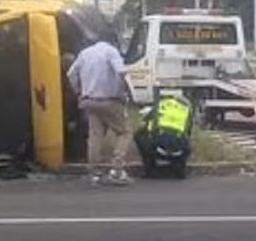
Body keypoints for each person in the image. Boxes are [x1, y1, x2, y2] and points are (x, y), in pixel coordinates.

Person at [67, 32, 132, 186]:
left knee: (95, 136)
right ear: (113, 42)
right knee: (125, 132)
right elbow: (121, 72)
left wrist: (78, 92)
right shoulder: (111, 51)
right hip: (109, 100)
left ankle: (94, 173)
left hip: (89, 101)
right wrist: (123, 92)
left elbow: (71, 74)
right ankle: (117, 169)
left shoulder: (85, 53)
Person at [134, 94, 194, 179]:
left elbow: (144, 124)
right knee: (184, 141)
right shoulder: (187, 111)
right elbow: (188, 133)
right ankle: (179, 170)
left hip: (158, 148)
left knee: (138, 135)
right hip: (178, 151)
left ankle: (149, 169)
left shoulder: (161, 104)